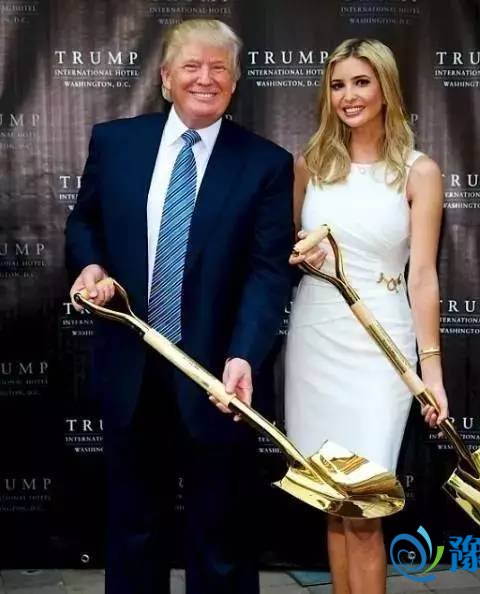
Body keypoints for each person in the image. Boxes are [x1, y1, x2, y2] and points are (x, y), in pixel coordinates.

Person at [65, 18, 293, 594]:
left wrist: (244, 356)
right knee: (133, 531)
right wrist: (91, 266)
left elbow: (268, 274)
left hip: (218, 378)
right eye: (191, 66)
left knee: (221, 539)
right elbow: (84, 222)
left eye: (219, 68)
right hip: (131, 369)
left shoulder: (266, 163)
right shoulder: (115, 143)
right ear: (165, 78)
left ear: (235, 82)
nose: (205, 78)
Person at [284, 38, 449, 594]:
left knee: (367, 504)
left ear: (386, 89)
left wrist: (431, 371)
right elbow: (289, 242)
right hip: (317, 334)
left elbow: (422, 276)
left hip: (383, 342)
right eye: (337, 85)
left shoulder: (418, 172)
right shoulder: (310, 164)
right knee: (333, 499)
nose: (348, 96)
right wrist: (301, 252)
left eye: (361, 82)